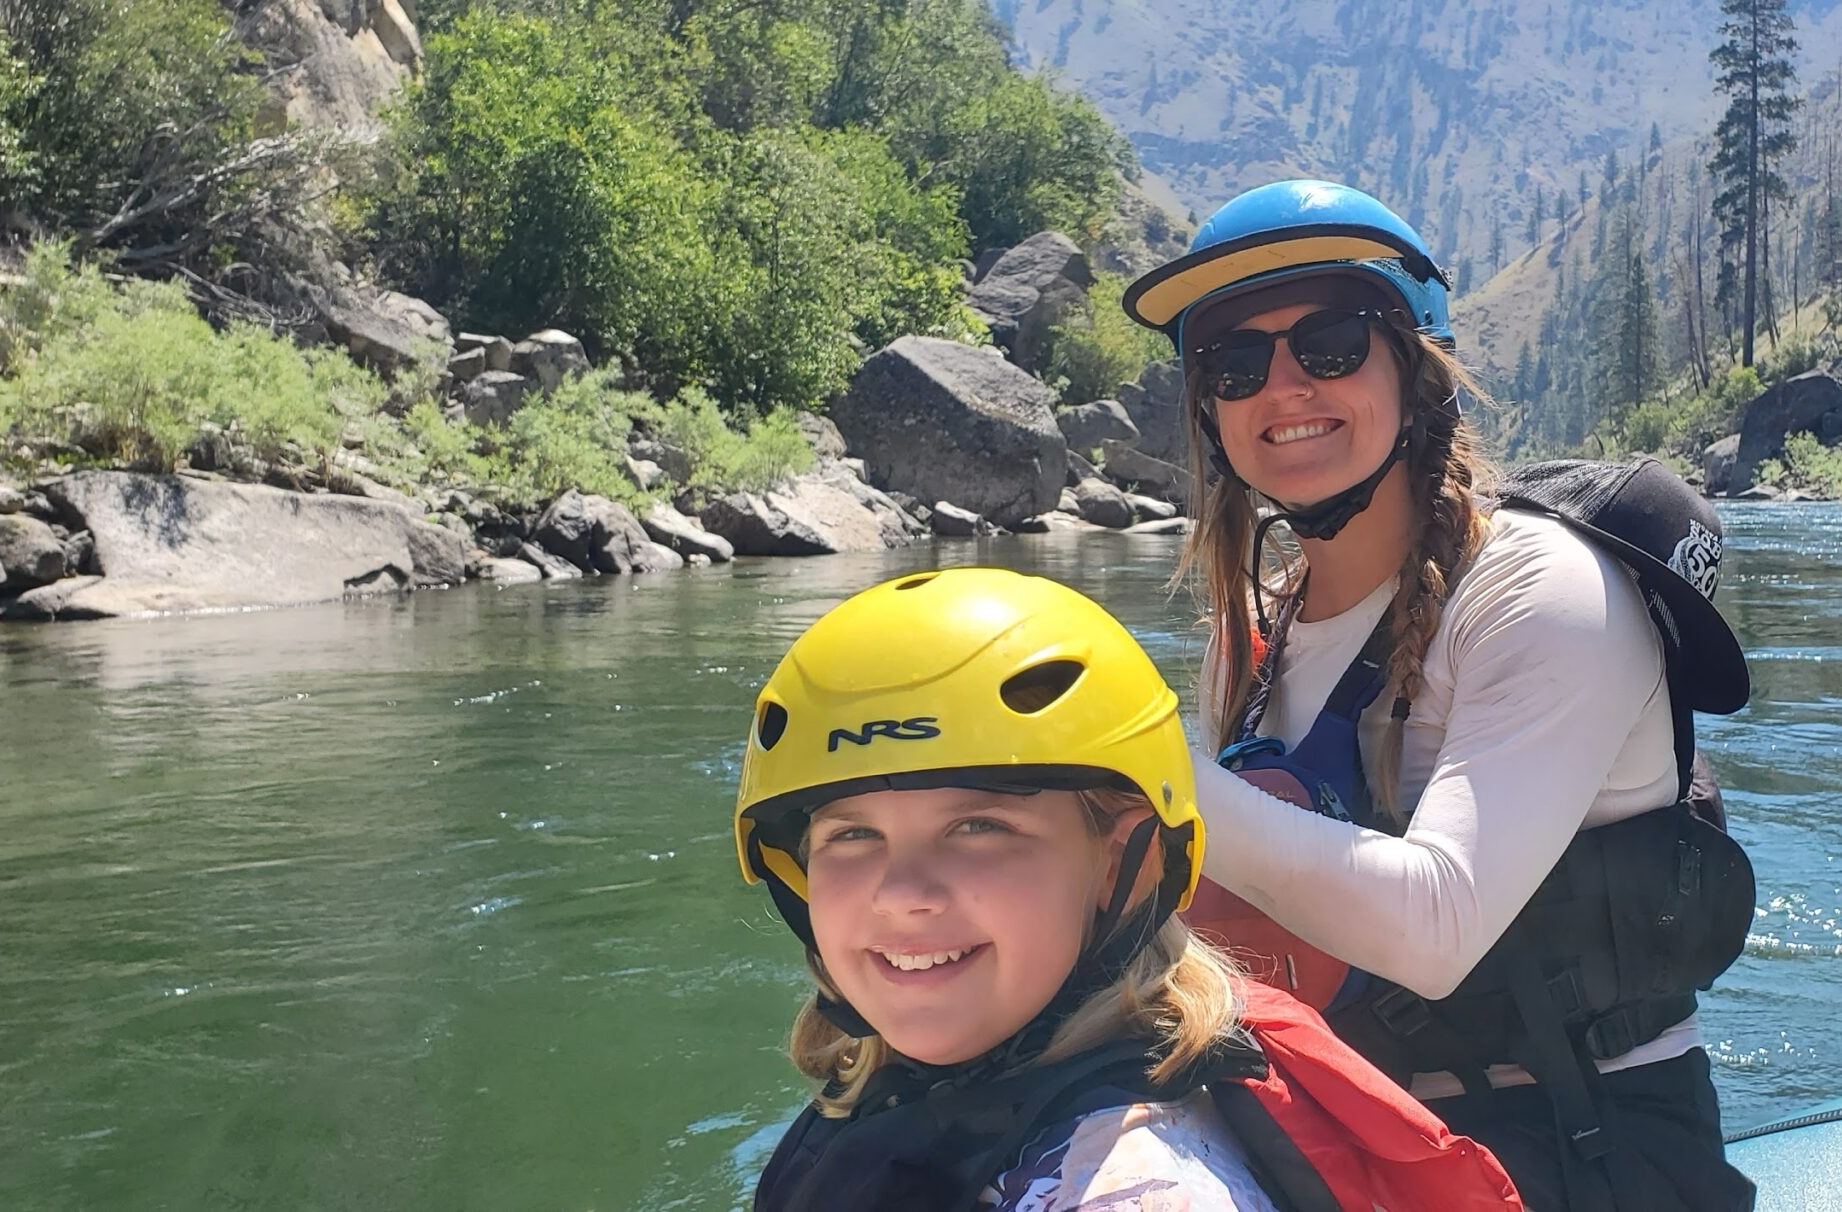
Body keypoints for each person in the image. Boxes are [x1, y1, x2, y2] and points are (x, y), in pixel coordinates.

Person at [1120, 180, 1759, 1212]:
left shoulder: (1542, 588)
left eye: (1329, 343)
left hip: (1581, 1144)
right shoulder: (1259, 629)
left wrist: (1131, 767)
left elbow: (1435, 928)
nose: (1281, 386)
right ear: (1209, 409)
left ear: (1415, 369)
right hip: (1341, 1116)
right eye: (1234, 364)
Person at [730, 567, 1524, 1211]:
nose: (902, 893)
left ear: (1125, 863)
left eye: (979, 828)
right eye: (851, 834)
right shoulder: (893, 1086)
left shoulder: (1139, 1188)